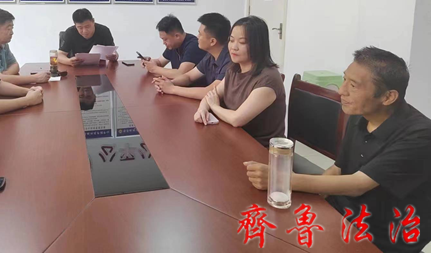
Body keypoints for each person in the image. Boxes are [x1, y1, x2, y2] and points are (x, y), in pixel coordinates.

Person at [244, 47, 431, 253]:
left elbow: (358, 184)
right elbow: (337, 169)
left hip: (381, 236)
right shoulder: (360, 115)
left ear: (388, 97)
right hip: (342, 214)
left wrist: (280, 179)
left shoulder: (420, 135)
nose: (341, 91)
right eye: (344, 80)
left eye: (353, 85)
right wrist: (307, 201)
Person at [194, 16, 285, 147]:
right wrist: (202, 109)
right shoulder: (234, 69)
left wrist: (214, 106)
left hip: (261, 148)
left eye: (242, 42)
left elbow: (237, 119)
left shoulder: (268, 79)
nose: (233, 47)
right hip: (234, 137)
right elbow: (211, 95)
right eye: (231, 40)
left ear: (258, 45)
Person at [153, 13, 231, 100]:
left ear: (212, 41)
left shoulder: (230, 61)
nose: (197, 37)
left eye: (200, 34)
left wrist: (172, 89)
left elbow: (210, 92)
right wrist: (170, 83)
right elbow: (189, 77)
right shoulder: (210, 56)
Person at [0, 8, 50, 91]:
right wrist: (35, 78)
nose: (12, 32)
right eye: (8, 29)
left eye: (12, 28)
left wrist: (6, 75)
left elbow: (15, 65)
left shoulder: (4, 45)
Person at [142, 14, 207, 79]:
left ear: (177, 36)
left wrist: (154, 68)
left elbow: (180, 74)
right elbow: (160, 62)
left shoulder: (194, 45)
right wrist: (149, 63)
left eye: (165, 39)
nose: (163, 43)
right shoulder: (173, 45)